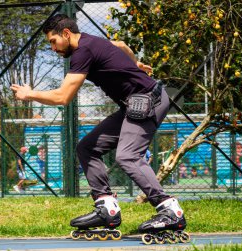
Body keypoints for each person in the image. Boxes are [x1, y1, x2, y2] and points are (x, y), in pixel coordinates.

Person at [11, 14, 186, 236]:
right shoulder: (91, 41)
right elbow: (121, 45)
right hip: (135, 105)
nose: (53, 48)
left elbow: (63, 97)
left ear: (66, 34)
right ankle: (107, 208)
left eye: (53, 42)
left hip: (149, 101)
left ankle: (170, 210)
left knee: (127, 156)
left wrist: (30, 94)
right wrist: (135, 65)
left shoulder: (82, 51)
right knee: (87, 148)